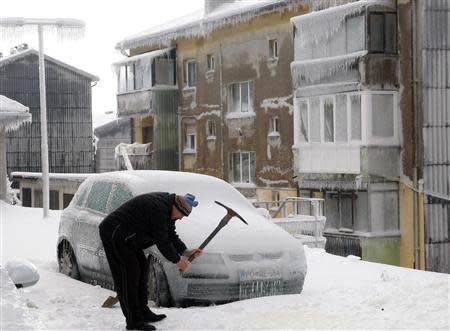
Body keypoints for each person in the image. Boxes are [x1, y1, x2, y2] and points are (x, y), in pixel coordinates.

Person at [99, 192, 202, 331]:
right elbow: (162, 240)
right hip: (114, 233)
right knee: (130, 273)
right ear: (177, 207)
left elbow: (170, 234)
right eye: (182, 215)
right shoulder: (159, 209)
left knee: (142, 267)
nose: (182, 219)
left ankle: (143, 312)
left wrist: (184, 251)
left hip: (129, 238)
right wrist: (178, 261)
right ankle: (133, 320)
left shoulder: (168, 209)